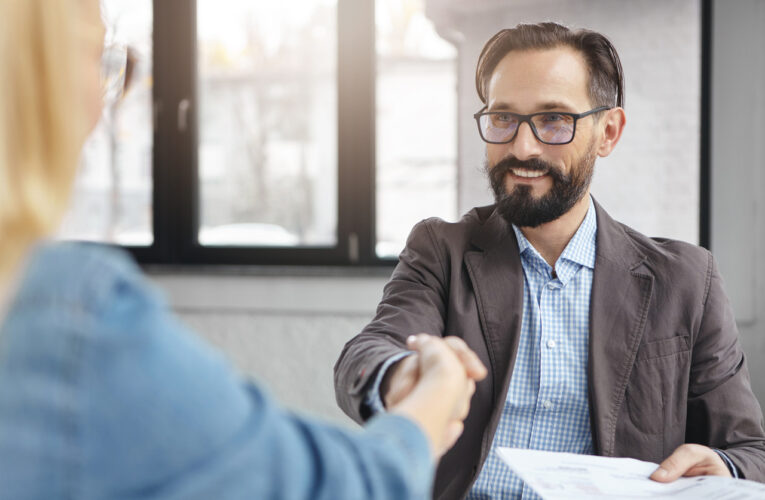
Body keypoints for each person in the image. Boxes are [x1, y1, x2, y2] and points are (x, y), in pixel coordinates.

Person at [0, 1, 487, 498]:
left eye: (552, 120)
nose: (104, 104)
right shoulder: (63, 313)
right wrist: (428, 400)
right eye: (96, 57)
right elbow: (337, 481)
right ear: (34, 71)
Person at [334, 22, 765, 499]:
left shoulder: (686, 279)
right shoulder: (442, 250)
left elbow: (749, 450)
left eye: (555, 120)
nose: (523, 147)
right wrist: (401, 376)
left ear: (608, 132)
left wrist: (723, 466)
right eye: (503, 118)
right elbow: (369, 352)